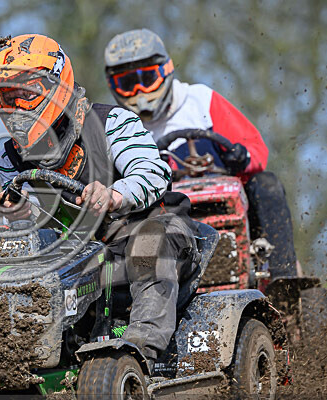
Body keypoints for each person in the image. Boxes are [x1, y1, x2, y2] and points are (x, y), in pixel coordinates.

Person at [0, 34, 200, 362]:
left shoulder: (111, 122)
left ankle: (140, 350)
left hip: (148, 243)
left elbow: (153, 172)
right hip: (82, 261)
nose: (12, 110)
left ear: (54, 86)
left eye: (23, 96)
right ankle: (10, 360)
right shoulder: (11, 159)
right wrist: (20, 216)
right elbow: (36, 231)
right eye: (4, 98)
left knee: (150, 240)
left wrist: (115, 194)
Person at [104, 28, 298, 279]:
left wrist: (241, 157)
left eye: (147, 78)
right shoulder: (122, 128)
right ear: (113, 86)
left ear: (165, 70)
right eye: (128, 84)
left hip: (228, 198)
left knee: (267, 184)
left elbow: (257, 150)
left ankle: (284, 280)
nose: (140, 90)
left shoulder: (201, 100)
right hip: (166, 212)